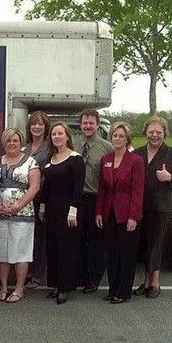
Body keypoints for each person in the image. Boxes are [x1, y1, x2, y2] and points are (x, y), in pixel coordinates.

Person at [133, 116, 172, 298]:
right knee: (144, 245)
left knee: (156, 245)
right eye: (151, 132)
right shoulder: (137, 154)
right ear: (145, 133)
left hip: (161, 208)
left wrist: (170, 177)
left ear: (165, 133)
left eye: (159, 132)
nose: (155, 135)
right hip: (140, 207)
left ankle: (155, 283)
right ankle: (145, 282)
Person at [0, 128, 40, 303]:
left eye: (15, 141)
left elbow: (34, 187)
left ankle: (19, 289)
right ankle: (4, 288)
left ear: (21, 143)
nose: (12, 143)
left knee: (21, 252)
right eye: (9, 140)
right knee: (1, 252)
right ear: (3, 143)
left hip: (22, 215)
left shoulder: (31, 162)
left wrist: (17, 206)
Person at [96, 122, 144, 304]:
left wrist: (133, 216)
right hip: (109, 213)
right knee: (112, 253)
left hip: (127, 214)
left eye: (121, 136)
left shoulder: (136, 161)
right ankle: (112, 289)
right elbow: (102, 189)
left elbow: (138, 191)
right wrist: (99, 212)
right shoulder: (105, 160)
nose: (117, 139)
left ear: (127, 139)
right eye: (115, 135)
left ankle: (123, 292)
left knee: (126, 254)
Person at [39, 122, 85, 304]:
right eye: (54, 134)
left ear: (67, 136)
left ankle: (65, 287)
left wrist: (73, 211)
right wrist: (42, 207)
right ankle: (55, 285)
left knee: (66, 249)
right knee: (53, 248)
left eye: (60, 133)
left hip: (68, 212)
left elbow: (78, 188)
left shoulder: (75, 159)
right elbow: (46, 187)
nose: (56, 137)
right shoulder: (51, 159)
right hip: (51, 211)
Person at [76, 109, 114, 294]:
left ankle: (94, 278)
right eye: (85, 123)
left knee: (96, 242)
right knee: (77, 239)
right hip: (77, 199)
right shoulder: (73, 144)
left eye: (91, 123)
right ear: (80, 125)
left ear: (97, 125)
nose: (88, 126)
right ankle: (80, 275)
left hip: (96, 199)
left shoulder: (107, 148)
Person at [23, 111, 51, 290]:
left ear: (45, 127)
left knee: (40, 237)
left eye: (40, 124)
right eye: (34, 123)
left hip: (41, 197)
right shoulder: (24, 147)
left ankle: (38, 273)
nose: (37, 127)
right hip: (24, 198)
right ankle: (27, 269)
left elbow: (49, 173)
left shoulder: (50, 148)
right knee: (27, 235)